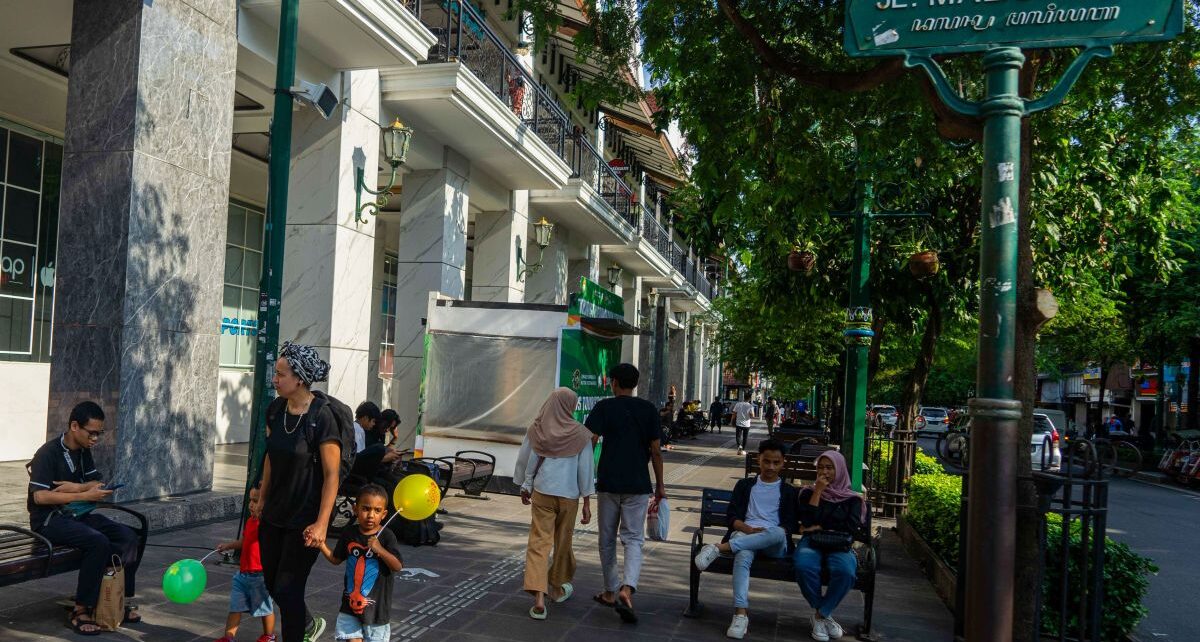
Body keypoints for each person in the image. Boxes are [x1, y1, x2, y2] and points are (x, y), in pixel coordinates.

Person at [27, 401, 144, 635]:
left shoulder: (83, 452)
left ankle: (119, 598)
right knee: (97, 542)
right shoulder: (47, 453)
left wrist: (77, 488)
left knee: (129, 536)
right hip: (50, 520)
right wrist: (82, 492)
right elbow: (39, 497)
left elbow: (96, 483)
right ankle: (80, 610)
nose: (95, 439)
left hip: (77, 515)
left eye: (99, 434)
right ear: (74, 426)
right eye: (91, 433)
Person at [259, 342, 342, 642]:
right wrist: (262, 496)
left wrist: (322, 523)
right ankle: (307, 624)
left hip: (305, 519)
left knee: (288, 589)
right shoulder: (275, 410)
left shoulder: (321, 416)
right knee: (271, 584)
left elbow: (332, 475)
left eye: (281, 374)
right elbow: (270, 456)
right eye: (275, 373)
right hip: (274, 514)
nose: (275, 379)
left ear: (300, 378)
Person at [585, 363, 667, 624]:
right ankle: (627, 588)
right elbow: (655, 450)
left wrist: (585, 477)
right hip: (638, 484)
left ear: (614, 382)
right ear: (635, 384)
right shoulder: (649, 410)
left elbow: (590, 442)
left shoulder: (604, 407)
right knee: (633, 539)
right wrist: (661, 484)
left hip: (608, 482)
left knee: (606, 538)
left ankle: (611, 590)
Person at [692, 439, 797, 639]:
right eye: (767, 461)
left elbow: (789, 525)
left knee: (777, 532)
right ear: (759, 459)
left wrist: (764, 533)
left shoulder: (789, 491)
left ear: (783, 462)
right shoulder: (745, 485)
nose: (771, 467)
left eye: (776, 462)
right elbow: (732, 517)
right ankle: (740, 613)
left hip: (775, 544)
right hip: (746, 534)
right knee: (743, 555)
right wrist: (748, 528)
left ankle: (719, 548)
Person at [513, 388, 595, 620]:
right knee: (563, 543)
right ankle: (557, 588)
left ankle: (540, 598)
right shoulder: (581, 435)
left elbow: (528, 460)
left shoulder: (537, 429)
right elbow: (585, 471)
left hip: (542, 494)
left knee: (539, 544)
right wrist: (587, 502)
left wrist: (525, 486)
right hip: (569, 498)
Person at [794, 451, 866, 642]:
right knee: (803, 566)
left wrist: (820, 525)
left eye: (829, 467)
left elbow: (851, 527)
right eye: (820, 467)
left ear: (840, 469)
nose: (824, 471)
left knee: (846, 571)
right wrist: (818, 491)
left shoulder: (853, 499)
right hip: (813, 541)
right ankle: (824, 614)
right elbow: (807, 519)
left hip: (840, 544)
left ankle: (820, 615)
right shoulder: (808, 492)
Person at [317, 484, 404, 642]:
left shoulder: (387, 536)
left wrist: (380, 549)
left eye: (377, 511)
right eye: (366, 508)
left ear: (384, 514)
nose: (371, 515)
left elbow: (397, 565)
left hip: (376, 612)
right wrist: (321, 544)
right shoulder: (349, 533)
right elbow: (336, 559)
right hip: (350, 606)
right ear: (355, 509)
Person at [215, 483, 276, 642]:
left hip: (260, 576)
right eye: (250, 499)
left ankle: (269, 636)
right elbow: (244, 541)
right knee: (235, 607)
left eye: (256, 501)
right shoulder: (250, 522)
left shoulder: (266, 525)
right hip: (242, 575)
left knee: (265, 608)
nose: (251, 504)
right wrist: (228, 545)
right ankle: (229, 637)